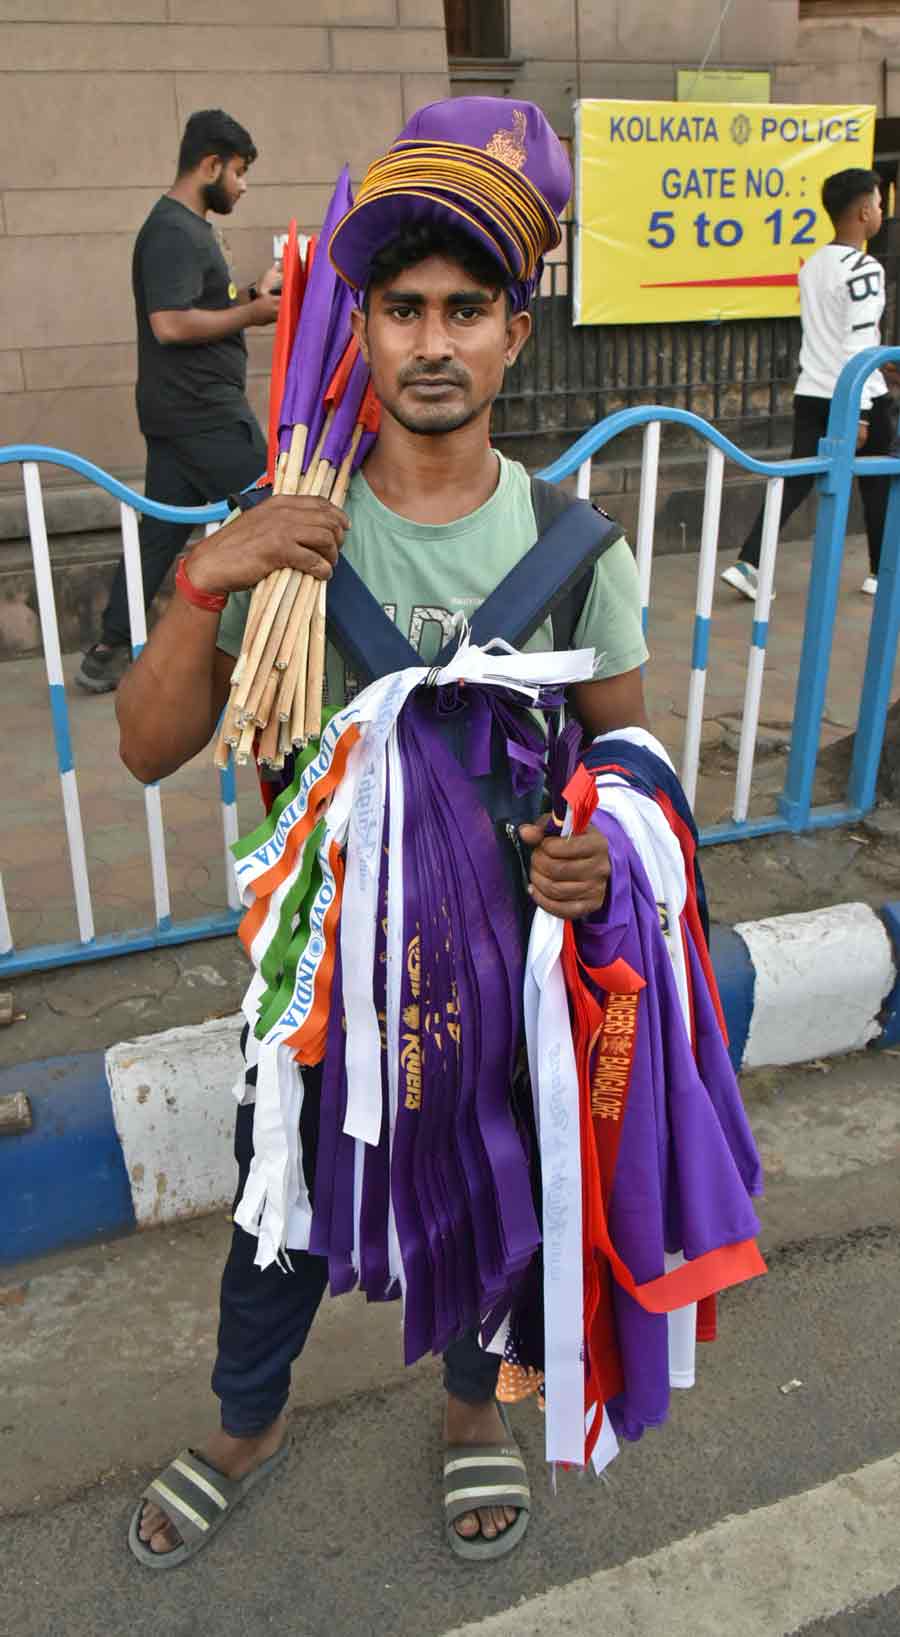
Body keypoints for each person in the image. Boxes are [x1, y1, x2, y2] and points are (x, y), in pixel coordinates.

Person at [115, 97, 650, 1567]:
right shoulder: (282, 526)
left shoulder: (574, 546)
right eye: (400, 308)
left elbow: (632, 758)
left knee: (493, 1193)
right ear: (356, 324)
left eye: (465, 309)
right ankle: (248, 1415)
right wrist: (199, 587)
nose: (430, 341)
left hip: (499, 976)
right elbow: (150, 745)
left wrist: (606, 847)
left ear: (512, 336)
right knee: (275, 1212)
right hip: (315, 990)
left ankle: (473, 1407)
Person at [75, 109, 281, 694]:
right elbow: (168, 323)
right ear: (210, 164)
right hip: (204, 416)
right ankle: (287, 649)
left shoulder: (187, 228)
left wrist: (247, 294)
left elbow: (202, 301)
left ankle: (106, 653)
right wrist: (254, 312)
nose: (242, 185)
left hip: (183, 414)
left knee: (156, 538)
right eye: (238, 172)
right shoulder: (172, 230)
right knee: (277, 515)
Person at [721, 167, 893, 603]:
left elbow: (831, 335)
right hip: (858, 395)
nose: (880, 211)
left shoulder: (815, 264)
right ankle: (882, 571)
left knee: (798, 478)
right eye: (876, 203)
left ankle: (750, 562)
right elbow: (856, 344)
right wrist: (859, 411)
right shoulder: (864, 268)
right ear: (861, 211)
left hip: (813, 390)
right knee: (880, 482)